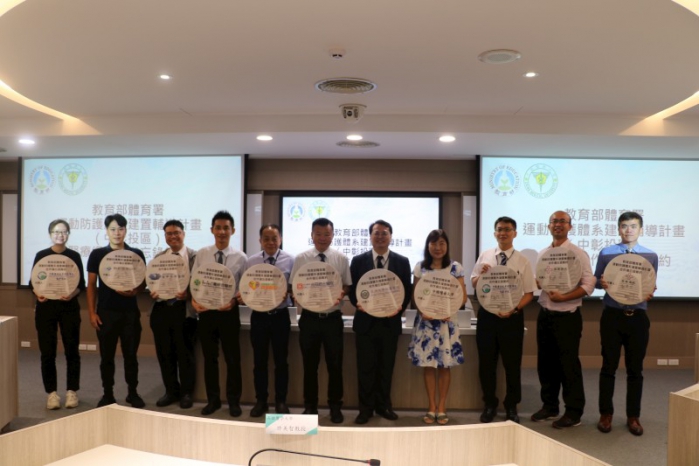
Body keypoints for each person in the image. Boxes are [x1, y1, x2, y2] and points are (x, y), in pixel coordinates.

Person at [594, 212, 658, 436]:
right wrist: (601, 283)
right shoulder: (606, 253)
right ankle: (605, 414)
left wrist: (649, 292)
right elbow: (596, 281)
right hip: (612, 316)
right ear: (618, 229)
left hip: (637, 317)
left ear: (641, 229)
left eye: (633, 226)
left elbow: (650, 284)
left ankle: (633, 416)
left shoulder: (650, 256)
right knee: (608, 367)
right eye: (624, 226)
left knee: (635, 370)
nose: (628, 230)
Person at [531, 210, 595, 429]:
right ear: (549, 226)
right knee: (545, 364)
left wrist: (565, 297)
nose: (558, 224)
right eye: (554, 221)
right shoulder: (543, 253)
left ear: (570, 226)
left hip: (568, 317)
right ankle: (550, 406)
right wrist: (537, 283)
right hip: (545, 315)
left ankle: (574, 412)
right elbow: (541, 281)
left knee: (568, 365)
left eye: (562, 221)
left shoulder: (578, 253)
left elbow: (588, 285)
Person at [471, 216, 535, 424]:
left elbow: (529, 293)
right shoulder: (486, 255)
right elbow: (474, 283)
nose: (503, 233)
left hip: (512, 318)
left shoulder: (522, 261)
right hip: (487, 317)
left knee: (512, 364)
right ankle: (490, 404)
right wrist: (480, 276)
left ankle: (511, 406)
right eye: (499, 229)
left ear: (514, 233)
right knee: (486, 364)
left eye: (507, 229)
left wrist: (514, 309)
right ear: (494, 233)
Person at [349, 220, 412, 425]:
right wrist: (357, 303)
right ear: (370, 236)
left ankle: (384, 406)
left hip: (389, 323)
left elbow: (406, 290)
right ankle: (365, 409)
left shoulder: (402, 261)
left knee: (386, 368)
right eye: (376, 233)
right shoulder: (358, 261)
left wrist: (399, 308)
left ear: (391, 236)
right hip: (365, 323)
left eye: (384, 233)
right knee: (365, 368)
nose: (380, 237)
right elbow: (352, 290)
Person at [289, 217, 351, 424]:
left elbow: (347, 285)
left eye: (326, 234)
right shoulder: (302, 258)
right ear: (312, 235)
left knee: (335, 366)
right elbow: (294, 285)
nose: (322, 238)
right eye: (318, 234)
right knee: (310, 366)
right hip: (309, 319)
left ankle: (335, 407)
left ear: (332, 235)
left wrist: (342, 293)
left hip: (332, 319)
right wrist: (297, 295)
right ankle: (310, 407)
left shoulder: (341, 259)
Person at [87, 214, 147, 408]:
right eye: (113, 229)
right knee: (107, 357)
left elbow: (143, 282)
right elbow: (91, 285)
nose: (117, 233)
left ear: (126, 230)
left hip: (130, 313)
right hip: (106, 313)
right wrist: (92, 313)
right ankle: (108, 394)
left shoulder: (135, 253)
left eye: (121, 229)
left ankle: (133, 393)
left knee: (131, 356)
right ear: (106, 231)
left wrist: (135, 291)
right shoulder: (97, 254)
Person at [408, 229, 467, 426]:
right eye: (433, 243)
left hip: (446, 324)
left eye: (442, 243)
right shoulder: (420, 267)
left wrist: (450, 309)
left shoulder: (455, 268)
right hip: (426, 324)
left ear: (447, 246)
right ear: (428, 246)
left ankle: (442, 407)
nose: (438, 247)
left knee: (444, 365)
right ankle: (431, 406)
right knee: (428, 365)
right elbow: (416, 296)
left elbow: (462, 297)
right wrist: (422, 310)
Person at [191, 210, 247, 417]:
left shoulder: (241, 257)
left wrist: (234, 301)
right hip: (206, 313)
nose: (222, 232)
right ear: (212, 230)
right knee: (210, 359)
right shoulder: (202, 254)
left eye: (226, 228)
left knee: (232, 360)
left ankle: (234, 402)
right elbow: (195, 281)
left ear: (233, 230)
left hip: (228, 313)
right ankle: (212, 400)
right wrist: (194, 301)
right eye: (218, 228)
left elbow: (244, 289)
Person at [30, 219, 86, 410]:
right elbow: (33, 283)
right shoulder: (41, 255)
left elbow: (80, 285)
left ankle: (72, 391)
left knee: (72, 351)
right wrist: (38, 294)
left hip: (69, 308)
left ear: (68, 234)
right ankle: (51, 393)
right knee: (47, 352)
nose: (60, 235)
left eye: (64, 232)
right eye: (56, 232)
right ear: (50, 234)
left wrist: (72, 294)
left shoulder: (74, 256)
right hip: (46, 309)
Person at [241, 224, 294, 417]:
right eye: (266, 238)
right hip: (259, 317)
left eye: (274, 238)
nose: (270, 242)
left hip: (280, 316)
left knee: (281, 362)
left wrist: (288, 292)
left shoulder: (291, 260)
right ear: (260, 241)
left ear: (280, 239)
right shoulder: (251, 261)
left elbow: (294, 287)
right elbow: (246, 287)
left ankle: (281, 401)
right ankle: (261, 401)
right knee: (259, 361)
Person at [149, 220, 198, 409]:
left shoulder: (194, 257)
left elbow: (201, 284)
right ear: (165, 237)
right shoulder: (159, 257)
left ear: (183, 234)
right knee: (165, 354)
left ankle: (186, 393)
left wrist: (189, 294)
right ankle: (170, 391)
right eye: (169, 234)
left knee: (185, 354)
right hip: (162, 310)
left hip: (183, 310)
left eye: (176, 232)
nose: (173, 236)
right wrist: (153, 291)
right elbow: (153, 281)